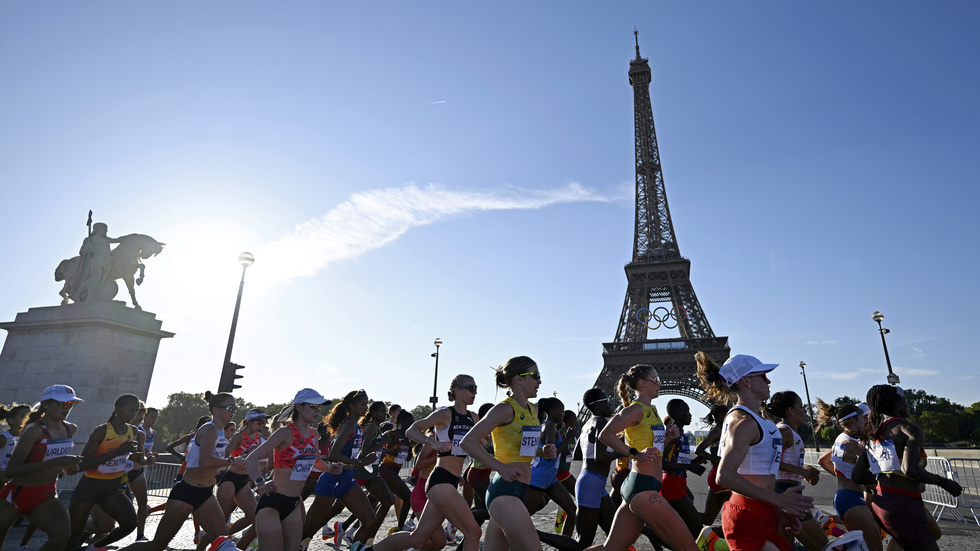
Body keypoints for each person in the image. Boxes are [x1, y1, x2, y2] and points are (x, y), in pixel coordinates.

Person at [696, 352, 812, 551]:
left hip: (761, 510)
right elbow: (724, 476)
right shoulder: (743, 422)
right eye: (762, 375)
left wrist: (777, 509)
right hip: (747, 513)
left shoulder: (754, 420)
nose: (768, 380)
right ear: (746, 380)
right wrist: (779, 499)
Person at [363, 374, 482, 551]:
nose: (475, 392)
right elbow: (411, 431)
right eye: (471, 388)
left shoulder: (473, 417)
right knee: (474, 532)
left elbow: (474, 445)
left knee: (418, 539)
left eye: (476, 388)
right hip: (440, 481)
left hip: (451, 481)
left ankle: (369, 550)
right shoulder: (445, 414)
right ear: (457, 391)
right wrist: (433, 443)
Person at [589, 365, 698, 551]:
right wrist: (635, 454)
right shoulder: (635, 409)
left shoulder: (652, 411)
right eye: (656, 379)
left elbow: (656, 450)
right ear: (642, 383)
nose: (660, 383)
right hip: (644, 489)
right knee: (690, 547)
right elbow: (605, 435)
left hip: (642, 487)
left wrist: (668, 438)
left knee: (611, 549)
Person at [119, 391, 241, 551]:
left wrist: (219, 468)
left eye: (235, 407)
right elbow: (204, 462)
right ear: (216, 409)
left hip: (205, 493)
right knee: (157, 546)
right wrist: (231, 461)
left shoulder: (219, 432)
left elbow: (204, 461)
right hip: (187, 492)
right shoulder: (210, 429)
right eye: (230, 407)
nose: (234, 411)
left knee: (224, 542)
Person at [853, 385, 962, 551]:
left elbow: (857, 476)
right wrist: (943, 482)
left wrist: (886, 479)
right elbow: (910, 470)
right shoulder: (910, 430)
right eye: (905, 401)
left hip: (882, 502)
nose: (908, 405)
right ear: (897, 405)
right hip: (904, 504)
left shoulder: (872, 433)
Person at [460, 356, 552, 551]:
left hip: (519, 490)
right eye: (535, 375)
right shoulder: (504, 409)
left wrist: (542, 452)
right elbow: (467, 441)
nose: (540, 381)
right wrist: (500, 467)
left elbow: (526, 448)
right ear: (519, 378)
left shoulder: (532, 410)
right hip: (504, 492)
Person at [246, 389, 335, 551]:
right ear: (299, 407)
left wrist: (330, 468)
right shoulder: (285, 432)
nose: (317, 411)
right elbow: (251, 459)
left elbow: (316, 461)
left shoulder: (313, 433)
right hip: (272, 501)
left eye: (319, 407)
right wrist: (260, 483)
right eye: (313, 406)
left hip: (293, 503)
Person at [0, 385, 83, 551]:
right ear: (46, 405)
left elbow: (55, 461)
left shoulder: (70, 429)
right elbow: (11, 471)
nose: (67, 408)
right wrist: (57, 461)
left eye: (70, 404)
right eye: (62, 404)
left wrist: (66, 467)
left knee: (62, 535)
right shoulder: (33, 430)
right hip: (17, 494)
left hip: (46, 493)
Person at [301, 390, 379, 545]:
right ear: (351, 405)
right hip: (332, 479)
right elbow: (333, 454)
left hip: (347, 479)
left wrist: (361, 460)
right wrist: (360, 463)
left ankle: (356, 547)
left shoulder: (356, 426)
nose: (366, 408)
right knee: (309, 529)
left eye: (367, 404)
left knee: (370, 521)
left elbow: (349, 456)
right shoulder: (348, 426)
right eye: (363, 404)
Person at [66, 393, 143, 550]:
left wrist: (145, 459)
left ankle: (92, 548)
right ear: (118, 408)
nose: (134, 414)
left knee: (130, 524)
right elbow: (86, 462)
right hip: (89, 487)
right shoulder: (101, 431)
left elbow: (135, 458)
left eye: (136, 410)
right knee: (73, 536)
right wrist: (116, 452)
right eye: (131, 410)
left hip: (111, 489)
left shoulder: (133, 431)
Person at [815, 399, 881, 551]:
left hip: (844, 496)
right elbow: (876, 472)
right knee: (874, 547)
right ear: (853, 419)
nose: (866, 422)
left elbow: (823, 461)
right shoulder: (853, 444)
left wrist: (845, 476)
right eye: (863, 419)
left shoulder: (841, 439)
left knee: (864, 545)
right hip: (853, 499)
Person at [764, 391, 826, 551]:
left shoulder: (790, 432)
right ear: (791, 411)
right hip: (784, 492)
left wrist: (802, 472)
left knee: (785, 547)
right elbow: (767, 461)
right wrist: (801, 471)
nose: (805, 410)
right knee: (824, 547)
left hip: (788, 491)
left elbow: (782, 461)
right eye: (801, 406)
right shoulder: (784, 432)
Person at [574, 388, 621, 547]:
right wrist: (624, 452)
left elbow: (577, 454)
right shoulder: (601, 423)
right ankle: (535, 535)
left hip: (592, 482)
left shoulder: (587, 424)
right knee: (583, 543)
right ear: (597, 405)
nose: (610, 405)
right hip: (592, 484)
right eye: (607, 401)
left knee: (617, 534)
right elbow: (599, 457)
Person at [215, 409, 270, 542]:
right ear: (249, 422)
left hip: (244, 480)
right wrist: (234, 460)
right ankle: (204, 546)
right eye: (259, 422)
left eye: (264, 422)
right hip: (231, 479)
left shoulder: (258, 437)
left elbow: (257, 457)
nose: (262, 425)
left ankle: (225, 537)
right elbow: (225, 455)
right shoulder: (240, 435)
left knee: (252, 516)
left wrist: (261, 467)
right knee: (222, 518)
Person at [525, 397, 576, 537]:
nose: (564, 415)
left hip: (549, 479)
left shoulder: (545, 425)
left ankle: (566, 546)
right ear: (553, 411)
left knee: (572, 511)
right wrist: (568, 439)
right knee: (521, 518)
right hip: (539, 480)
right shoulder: (550, 426)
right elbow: (550, 453)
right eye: (562, 411)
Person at [660, 399, 707, 538]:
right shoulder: (673, 434)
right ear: (676, 413)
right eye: (686, 411)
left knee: (683, 523)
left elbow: (674, 458)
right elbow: (661, 463)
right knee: (696, 527)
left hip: (679, 481)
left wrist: (693, 461)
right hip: (671, 483)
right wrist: (689, 466)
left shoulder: (680, 433)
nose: (690, 415)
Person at [78, 222, 121, 302]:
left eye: (106, 230)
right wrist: (87, 248)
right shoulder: (89, 240)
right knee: (95, 278)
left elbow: (117, 240)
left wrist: (131, 237)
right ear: (98, 229)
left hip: (107, 261)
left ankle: (97, 296)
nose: (106, 231)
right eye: (104, 229)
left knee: (103, 281)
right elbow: (82, 252)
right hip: (97, 260)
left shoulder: (106, 240)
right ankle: (88, 297)